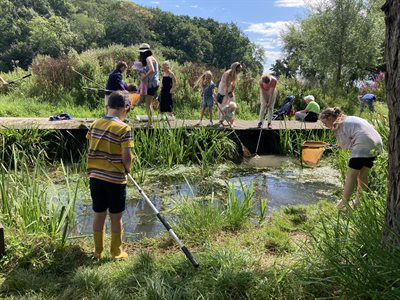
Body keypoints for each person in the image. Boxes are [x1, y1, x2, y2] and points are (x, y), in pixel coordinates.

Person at [86, 91, 134, 259]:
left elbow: (92, 145)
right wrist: (128, 168)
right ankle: (116, 252)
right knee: (116, 217)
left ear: (107, 106)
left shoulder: (94, 124)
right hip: (115, 180)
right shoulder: (124, 128)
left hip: (95, 178)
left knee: (98, 214)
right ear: (125, 108)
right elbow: (126, 156)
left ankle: (98, 252)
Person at [319, 107, 383, 210]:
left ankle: (343, 203)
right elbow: (350, 140)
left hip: (362, 144)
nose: (325, 125)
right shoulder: (350, 118)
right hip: (377, 144)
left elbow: (344, 144)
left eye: (325, 122)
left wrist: (338, 146)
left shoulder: (338, 124)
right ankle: (359, 202)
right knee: (363, 175)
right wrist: (339, 145)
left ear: (330, 118)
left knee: (351, 176)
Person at [138, 43, 160, 127]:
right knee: (148, 103)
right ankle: (150, 123)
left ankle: (150, 124)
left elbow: (152, 70)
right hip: (155, 83)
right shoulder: (152, 58)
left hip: (151, 84)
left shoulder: (148, 58)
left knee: (147, 104)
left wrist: (144, 77)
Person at [217, 62, 242, 127]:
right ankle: (221, 121)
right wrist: (226, 96)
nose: (239, 71)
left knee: (232, 103)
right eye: (238, 70)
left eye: (240, 70)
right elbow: (226, 85)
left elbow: (233, 84)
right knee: (223, 104)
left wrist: (232, 92)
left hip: (229, 88)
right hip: (223, 88)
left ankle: (232, 121)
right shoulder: (227, 73)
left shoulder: (235, 74)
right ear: (235, 68)